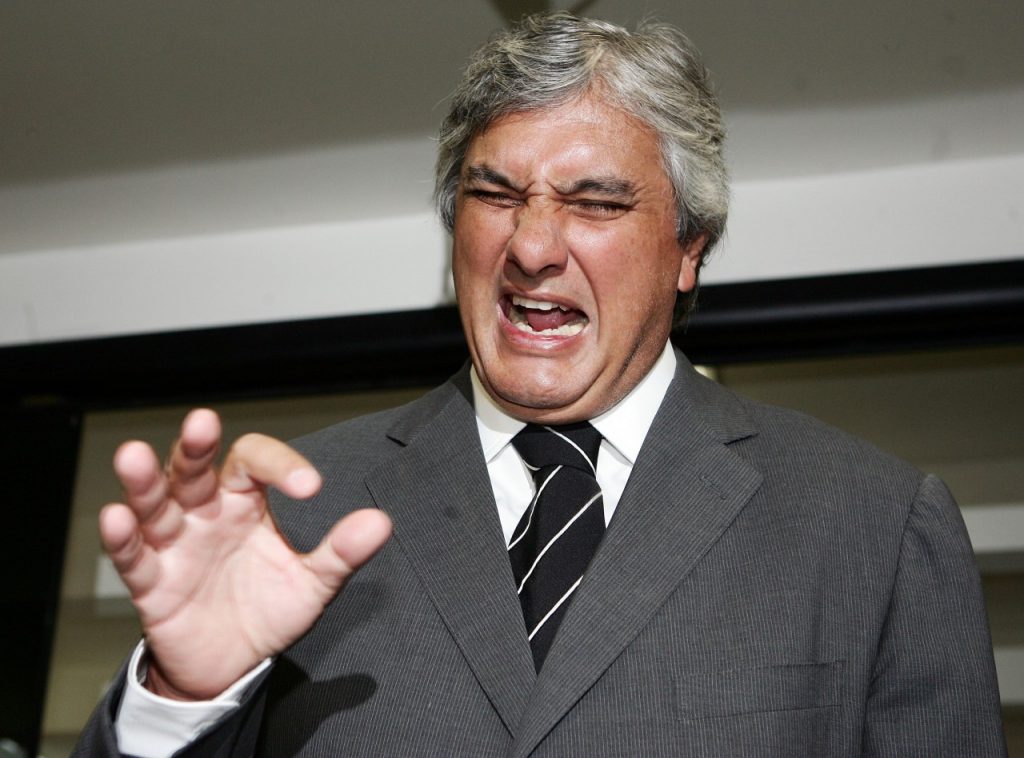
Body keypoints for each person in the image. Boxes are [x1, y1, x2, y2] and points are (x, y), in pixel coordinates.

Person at [75, 12, 1005, 757]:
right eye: (495, 196)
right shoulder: (299, 515)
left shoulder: (872, 524)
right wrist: (180, 698)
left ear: (690, 247)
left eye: (595, 202)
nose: (530, 247)